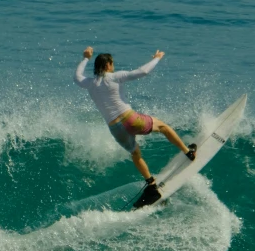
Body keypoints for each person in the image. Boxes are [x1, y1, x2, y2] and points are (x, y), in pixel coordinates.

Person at [74, 46, 196, 205]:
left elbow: (77, 77)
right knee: (163, 127)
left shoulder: (89, 83)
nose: (113, 66)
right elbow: (143, 72)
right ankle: (188, 152)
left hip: (115, 129)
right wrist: (157, 58)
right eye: (112, 63)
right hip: (130, 119)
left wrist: (85, 58)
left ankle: (151, 186)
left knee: (135, 154)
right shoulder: (114, 77)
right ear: (107, 65)